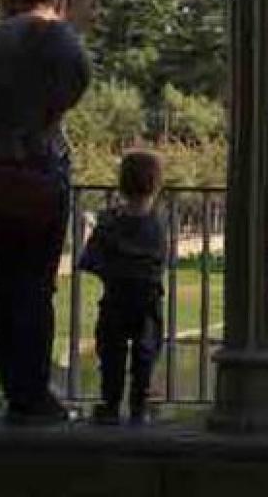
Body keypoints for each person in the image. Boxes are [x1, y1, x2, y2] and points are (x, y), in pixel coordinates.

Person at [0, 0, 92, 424]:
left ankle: (16, 387)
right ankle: (32, 394)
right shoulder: (59, 39)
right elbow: (72, 86)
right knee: (36, 289)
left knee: (1, 286)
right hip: (40, 172)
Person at [78, 150, 166, 425]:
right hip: (148, 301)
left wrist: (111, 269)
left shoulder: (109, 223)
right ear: (155, 184)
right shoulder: (157, 226)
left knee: (111, 353)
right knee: (146, 352)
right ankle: (139, 404)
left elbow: (89, 260)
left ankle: (111, 404)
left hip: (115, 297)